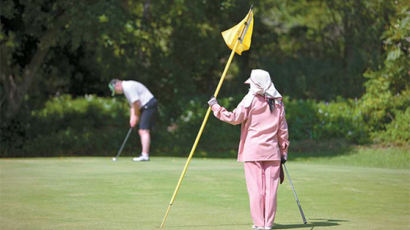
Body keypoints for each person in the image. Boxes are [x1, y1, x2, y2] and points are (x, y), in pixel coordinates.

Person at [208, 69, 289, 230]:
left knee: (256, 190)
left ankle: (259, 224)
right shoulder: (278, 102)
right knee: (270, 190)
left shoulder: (250, 99)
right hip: (273, 152)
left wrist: (215, 107)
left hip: (253, 151)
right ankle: (268, 224)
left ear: (256, 84)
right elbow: (283, 131)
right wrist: (284, 152)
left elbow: (234, 118)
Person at [109, 79, 158, 161]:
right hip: (145, 106)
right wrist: (132, 118)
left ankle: (145, 155)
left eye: (115, 90)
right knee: (142, 130)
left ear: (117, 85)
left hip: (148, 104)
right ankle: (144, 154)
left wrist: (136, 116)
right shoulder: (126, 89)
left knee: (143, 130)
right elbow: (133, 105)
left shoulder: (128, 87)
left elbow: (136, 103)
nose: (116, 92)